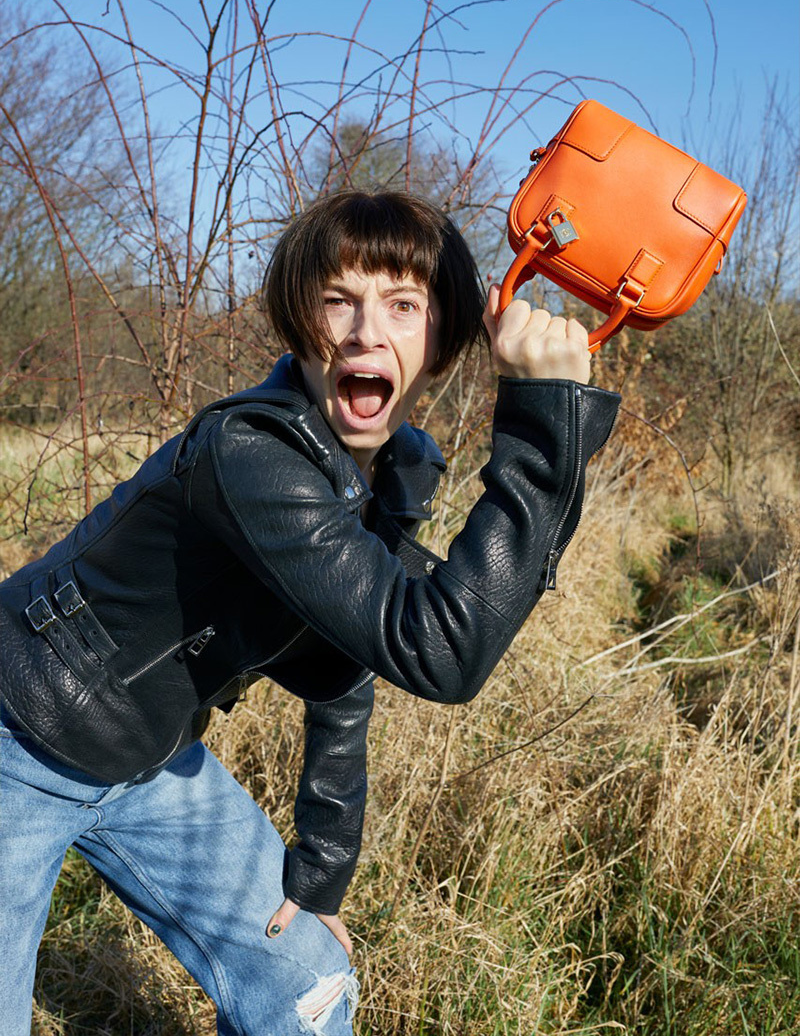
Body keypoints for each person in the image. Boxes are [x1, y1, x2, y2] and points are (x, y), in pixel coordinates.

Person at [0, 191, 619, 1035]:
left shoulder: (398, 466)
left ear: (440, 343)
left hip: (147, 760)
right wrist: (545, 424)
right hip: (16, 743)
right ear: (301, 322)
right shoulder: (253, 453)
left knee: (308, 986)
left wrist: (318, 877)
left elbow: (349, 656)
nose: (368, 331)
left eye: (404, 304)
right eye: (338, 300)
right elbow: (442, 651)